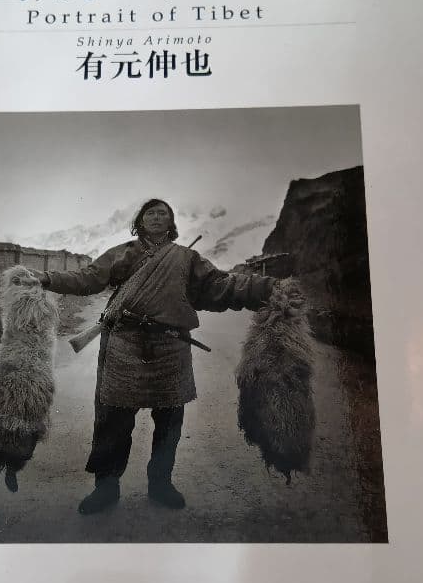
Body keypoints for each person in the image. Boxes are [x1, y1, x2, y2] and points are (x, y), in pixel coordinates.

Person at [34, 199, 276, 514]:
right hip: (124, 345)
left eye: (163, 213)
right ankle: (106, 487)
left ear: (171, 222)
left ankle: (161, 483)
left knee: (169, 422)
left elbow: (221, 286)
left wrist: (266, 289)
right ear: (140, 221)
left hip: (170, 347)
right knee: (113, 421)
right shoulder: (122, 253)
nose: (157, 217)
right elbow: (87, 278)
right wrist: (47, 279)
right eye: (151, 212)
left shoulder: (187, 258)